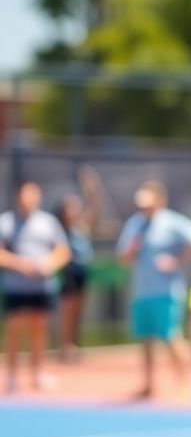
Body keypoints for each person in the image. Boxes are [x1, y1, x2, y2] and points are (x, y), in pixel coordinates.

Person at [116, 180, 191, 399]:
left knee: (171, 336)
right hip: (142, 291)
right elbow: (123, 258)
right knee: (146, 339)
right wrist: (130, 251)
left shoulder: (171, 222)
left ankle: (184, 383)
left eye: (148, 203)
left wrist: (177, 260)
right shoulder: (135, 224)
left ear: (159, 201)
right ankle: (149, 385)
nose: (144, 207)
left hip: (166, 291)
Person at [0, 181, 71, 392]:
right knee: (14, 330)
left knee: (39, 329)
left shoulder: (48, 223)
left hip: (42, 287)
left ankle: (38, 372)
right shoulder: (5, 222)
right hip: (15, 286)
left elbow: (63, 251)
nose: (28, 200)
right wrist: (20, 264)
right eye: (24, 195)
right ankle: (11, 376)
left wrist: (48, 264)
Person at [56, 166, 102, 362]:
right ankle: (65, 347)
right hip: (69, 274)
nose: (74, 210)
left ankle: (73, 344)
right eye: (70, 207)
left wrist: (92, 187)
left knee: (78, 312)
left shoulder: (81, 227)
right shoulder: (60, 230)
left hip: (83, 273)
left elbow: (94, 206)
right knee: (68, 311)